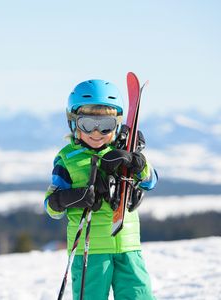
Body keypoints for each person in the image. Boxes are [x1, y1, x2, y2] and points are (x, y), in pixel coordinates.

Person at [44, 79, 158, 300]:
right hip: (91, 253)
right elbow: (51, 207)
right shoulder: (68, 160)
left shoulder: (125, 152)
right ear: (73, 123)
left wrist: (140, 165)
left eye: (105, 125)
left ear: (117, 124)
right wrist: (73, 198)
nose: (96, 132)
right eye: (87, 124)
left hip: (128, 247)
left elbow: (150, 182)